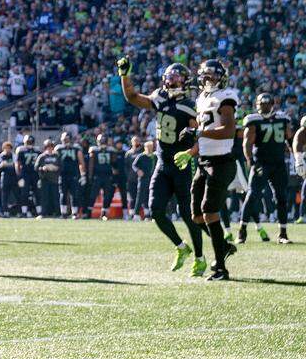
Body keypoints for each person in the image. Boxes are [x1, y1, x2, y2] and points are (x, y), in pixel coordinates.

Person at [117, 58, 205, 273]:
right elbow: (132, 97)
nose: (172, 81)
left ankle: (200, 257)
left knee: (188, 214)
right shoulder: (160, 97)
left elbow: (201, 138)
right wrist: (124, 75)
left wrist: (190, 154)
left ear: (185, 82)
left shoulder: (190, 106)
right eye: (170, 78)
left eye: (176, 79)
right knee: (155, 211)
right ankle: (181, 247)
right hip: (162, 164)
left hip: (182, 165)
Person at [174, 60, 239, 280]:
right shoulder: (201, 99)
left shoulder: (225, 96)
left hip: (222, 161)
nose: (208, 79)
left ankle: (220, 268)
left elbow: (229, 130)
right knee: (197, 215)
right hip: (204, 160)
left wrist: (199, 133)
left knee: (209, 211)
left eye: (213, 75)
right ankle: (223, 246)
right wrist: (190, 152)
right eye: (206, 75)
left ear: (222, 77)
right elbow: (203, 133)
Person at [238, 93, 293, 245]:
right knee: (252, 195)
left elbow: (289, 137)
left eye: (267, 104)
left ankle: (283, 233)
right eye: (263, 104)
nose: (265, 107)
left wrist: (295, 155)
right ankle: (242, 230)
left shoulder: (283, 118)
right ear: (258, 105)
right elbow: (247, 143)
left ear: (272, 104)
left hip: (278, 163)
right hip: (261, 163)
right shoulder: (253, 120)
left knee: (281, 197)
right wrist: (250, 160)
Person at [54, 131, 86, 219]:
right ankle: (63, 213)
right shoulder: (58, 148)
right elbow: (54, 161)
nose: (66, 140)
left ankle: (74, 213)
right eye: (64, 139)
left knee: (74, 194)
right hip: (62, 174)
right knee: (63, 194)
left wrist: (83, 175)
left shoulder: (76, 148)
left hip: (74, 174)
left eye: (67, 139)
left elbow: (81, 162)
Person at [14, 134, 40, 217]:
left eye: (30, 142)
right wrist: (19, 175)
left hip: (35, 174)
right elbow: (17, 164)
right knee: (24, 193)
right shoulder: (21, 151)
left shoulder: (37, 151)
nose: (29, 143)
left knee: (37, 193)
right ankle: (24, 212)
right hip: (25, 174)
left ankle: (39, 212)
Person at [35, 140, 61, 218]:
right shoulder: (42, 156)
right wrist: (43, 168)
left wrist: (56, 168)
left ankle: (57, 213)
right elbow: (36, 167)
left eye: (51, 146)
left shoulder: (57, 156)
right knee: (44, 197)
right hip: (44, 179)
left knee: (56, 197)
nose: (49, 148)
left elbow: (61, 167)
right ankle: (43, 213)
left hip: (54, 179)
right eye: (47, 147)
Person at [133, 141, 156, 220]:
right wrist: (138, 171)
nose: (149, 149)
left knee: (151, 197)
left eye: (151, 147)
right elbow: (134, 165)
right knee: (140, 197)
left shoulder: (154, 156)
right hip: (143, 179)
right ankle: (136, 214)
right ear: (145, 148)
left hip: (152, 179)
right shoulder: (141, 156)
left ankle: (149, 215)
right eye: (148, 147)